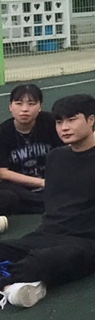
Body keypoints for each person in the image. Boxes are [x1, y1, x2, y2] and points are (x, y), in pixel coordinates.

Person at [0, 94, 95, 309]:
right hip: (45, 236)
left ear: (91, 120)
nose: (64, 127)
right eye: (59, 122)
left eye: (71, 120)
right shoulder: (55, 157)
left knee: (42, 260)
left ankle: (12, 281)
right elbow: (52, 203)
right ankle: (14, 286)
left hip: (85, 245)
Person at [0, 83, 60, 221]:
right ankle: (48, 204)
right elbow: (2, 172)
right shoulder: (3, 133)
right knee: (9, 198)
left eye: (31, 104)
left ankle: (44, 203)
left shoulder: (51, 123)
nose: (25, 109)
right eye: (19, 103)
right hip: (18, 187)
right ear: (10, 106)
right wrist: (41, 182)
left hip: (51, 181)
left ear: (40, 106)